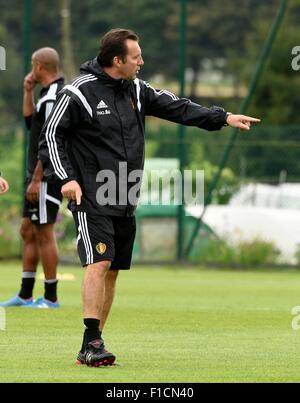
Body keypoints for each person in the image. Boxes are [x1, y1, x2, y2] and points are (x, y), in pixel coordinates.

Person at [38, 28, 260, 366]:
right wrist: (66, 179)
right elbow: (51, 136)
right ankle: (91, 340)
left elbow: (180, 108)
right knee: (99, 262)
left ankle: (93, 345)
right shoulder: (78, 92)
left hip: (125, 195)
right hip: (90, 196)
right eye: (136, 57)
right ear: (118, 60)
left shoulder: (138, 91)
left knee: (112, 269)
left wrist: (223, 117)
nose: (142, 61)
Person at [0, 48, 65, 309]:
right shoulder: (44, 96)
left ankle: (50, 298)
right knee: (28, 230)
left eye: (32, 65)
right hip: (35, 175)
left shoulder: (54, 98)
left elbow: (51, 142)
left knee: (44, 233)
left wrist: (37, 178)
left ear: (39, 66)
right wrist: (27, 92)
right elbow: (32, 126)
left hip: (46, 176)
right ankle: (26, 294)